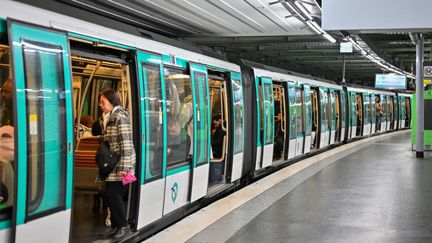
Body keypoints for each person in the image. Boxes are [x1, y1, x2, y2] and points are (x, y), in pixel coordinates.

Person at [98, 88, 136, 240]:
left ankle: (123, 226)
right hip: (111, 162)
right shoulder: (106, 117)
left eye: (103, 102)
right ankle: (115, 226)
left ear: (112, 101)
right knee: (110, 194)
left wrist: (125, 168)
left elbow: (126, 144)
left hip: (120, 163)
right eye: (100, 102)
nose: (100, 105)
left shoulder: (120, 117)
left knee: (114, 195)